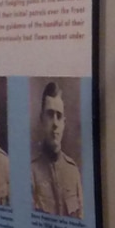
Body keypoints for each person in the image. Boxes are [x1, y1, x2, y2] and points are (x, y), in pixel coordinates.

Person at [29, 81, 83, 217]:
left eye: (59, 116)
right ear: (42, 119)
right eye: (50, 114)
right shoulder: (31, 173)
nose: (55, 124)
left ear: (64, 123)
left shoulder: (73, 171)